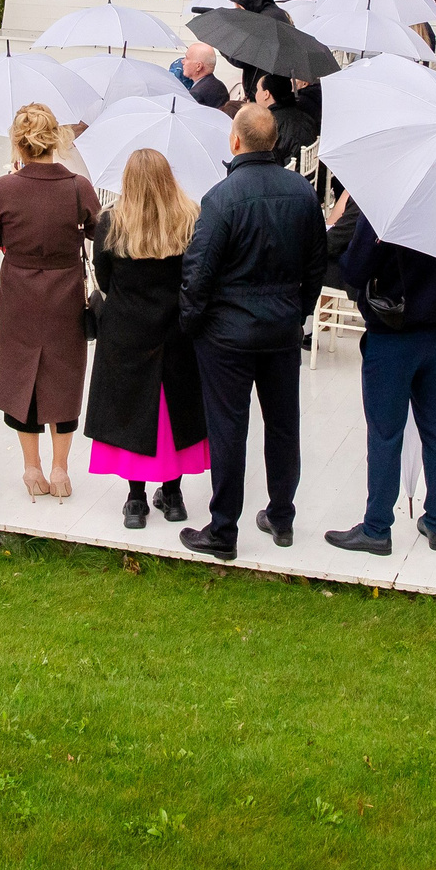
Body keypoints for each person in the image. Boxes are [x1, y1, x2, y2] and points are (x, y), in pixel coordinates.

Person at [177, 102, 328, 560]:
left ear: (235, 141)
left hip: (228, 335)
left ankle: (224, 530)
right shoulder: (301, 192)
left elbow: (198, 272)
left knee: (229, 429)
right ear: (274, 142)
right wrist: (298, 312)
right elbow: (316, 263)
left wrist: (191, 324)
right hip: (279, 326)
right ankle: (281, 515)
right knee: (283, 424)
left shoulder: (221, 198)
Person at [323, 204, 436, 555]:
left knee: (385, 434)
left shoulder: (386, 205)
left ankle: (377, 528)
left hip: (393, 333)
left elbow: (355, 269)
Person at [85, 148, 210, 530]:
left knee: (132, 413)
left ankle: (136, 501)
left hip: (127, 331)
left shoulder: (111, 223)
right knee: (175, 413)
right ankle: (173, 497)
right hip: (175, 329)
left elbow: (104, 278)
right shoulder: (190, 219)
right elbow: (196, 274)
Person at [0, 103, 101, 499]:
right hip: (64, 292)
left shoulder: (5, 188)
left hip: (18, 292)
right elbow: (97, 229)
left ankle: (31, 467)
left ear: (19, 144)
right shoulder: (78, 186)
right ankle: (60, 468)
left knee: (21, 371)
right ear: (56, 140)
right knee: (64, 372)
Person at [171, 41, 232, 112]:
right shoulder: (220, 85)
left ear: (199, 66)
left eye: (187, 58)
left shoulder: (196, 94)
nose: (182, 61)